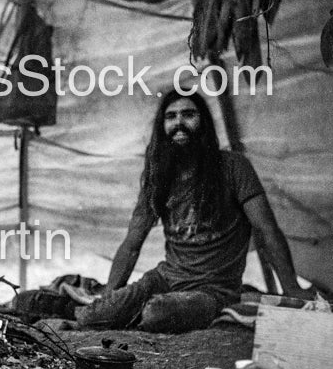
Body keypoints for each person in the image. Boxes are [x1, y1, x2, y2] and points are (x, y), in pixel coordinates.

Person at [74, 89, 310, 332]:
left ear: (204, 122)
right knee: (94, 316)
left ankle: (145, 316)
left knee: (157, 314)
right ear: (162, 126)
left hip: (213, 290)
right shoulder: (159, 176)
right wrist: (112, 297)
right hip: (165, 279)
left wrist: (291, 289)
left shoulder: (234, 167)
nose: (179, 123)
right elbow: (132, 244)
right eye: (171, 117)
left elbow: (266, 229)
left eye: (188, 115)